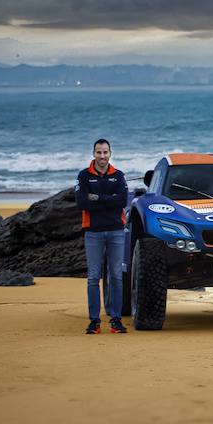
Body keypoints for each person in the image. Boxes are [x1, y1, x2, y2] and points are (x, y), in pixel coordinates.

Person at [76, 138, 128, 334]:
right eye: (99, 152)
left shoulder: (118, 175)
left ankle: (116, 320)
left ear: (110, 153)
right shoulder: (83, 176)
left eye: (105, 152)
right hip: (93, 232)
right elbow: (81, 203)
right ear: (93, 154)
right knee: (93, 278)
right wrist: (109, 200)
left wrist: (97, 198)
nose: (102, 156)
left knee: (116, 276)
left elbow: (122, 201)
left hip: (116, 231)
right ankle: (94, 321)